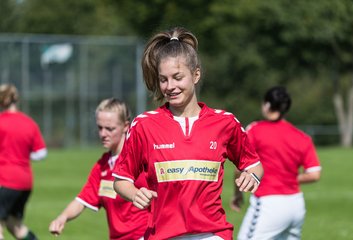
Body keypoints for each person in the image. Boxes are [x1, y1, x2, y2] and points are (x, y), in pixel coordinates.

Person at [112, 26, 264, 240]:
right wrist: (135, 193)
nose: (170, 86)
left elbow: (253, 165)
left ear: (196, 74)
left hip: (213, 234)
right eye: (163, 79)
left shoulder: (225, 123)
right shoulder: (144, 125)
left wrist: (253, 177)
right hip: (162, 235)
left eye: (177, 77)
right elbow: (120, 180)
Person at [49, 98, 148, 240]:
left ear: (126, 126)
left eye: (109, 128)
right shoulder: (102, 165)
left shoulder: (140, 158)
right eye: (100, 128)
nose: (103, 134)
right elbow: (82, 199)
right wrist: (62, 218)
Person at [233, 86, 322, 240]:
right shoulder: (301, 137)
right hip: (296, 205)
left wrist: (237, 194)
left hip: (269, 204)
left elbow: (240, 169)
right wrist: (288, 178)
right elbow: (314, 174)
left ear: (267, 105)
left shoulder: (255, 130)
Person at [0, 83, 47, 240]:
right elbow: (41, 153)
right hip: (25, 182)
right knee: (15, 225)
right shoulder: (29, 122)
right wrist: (22, 156)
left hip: (5, 180)